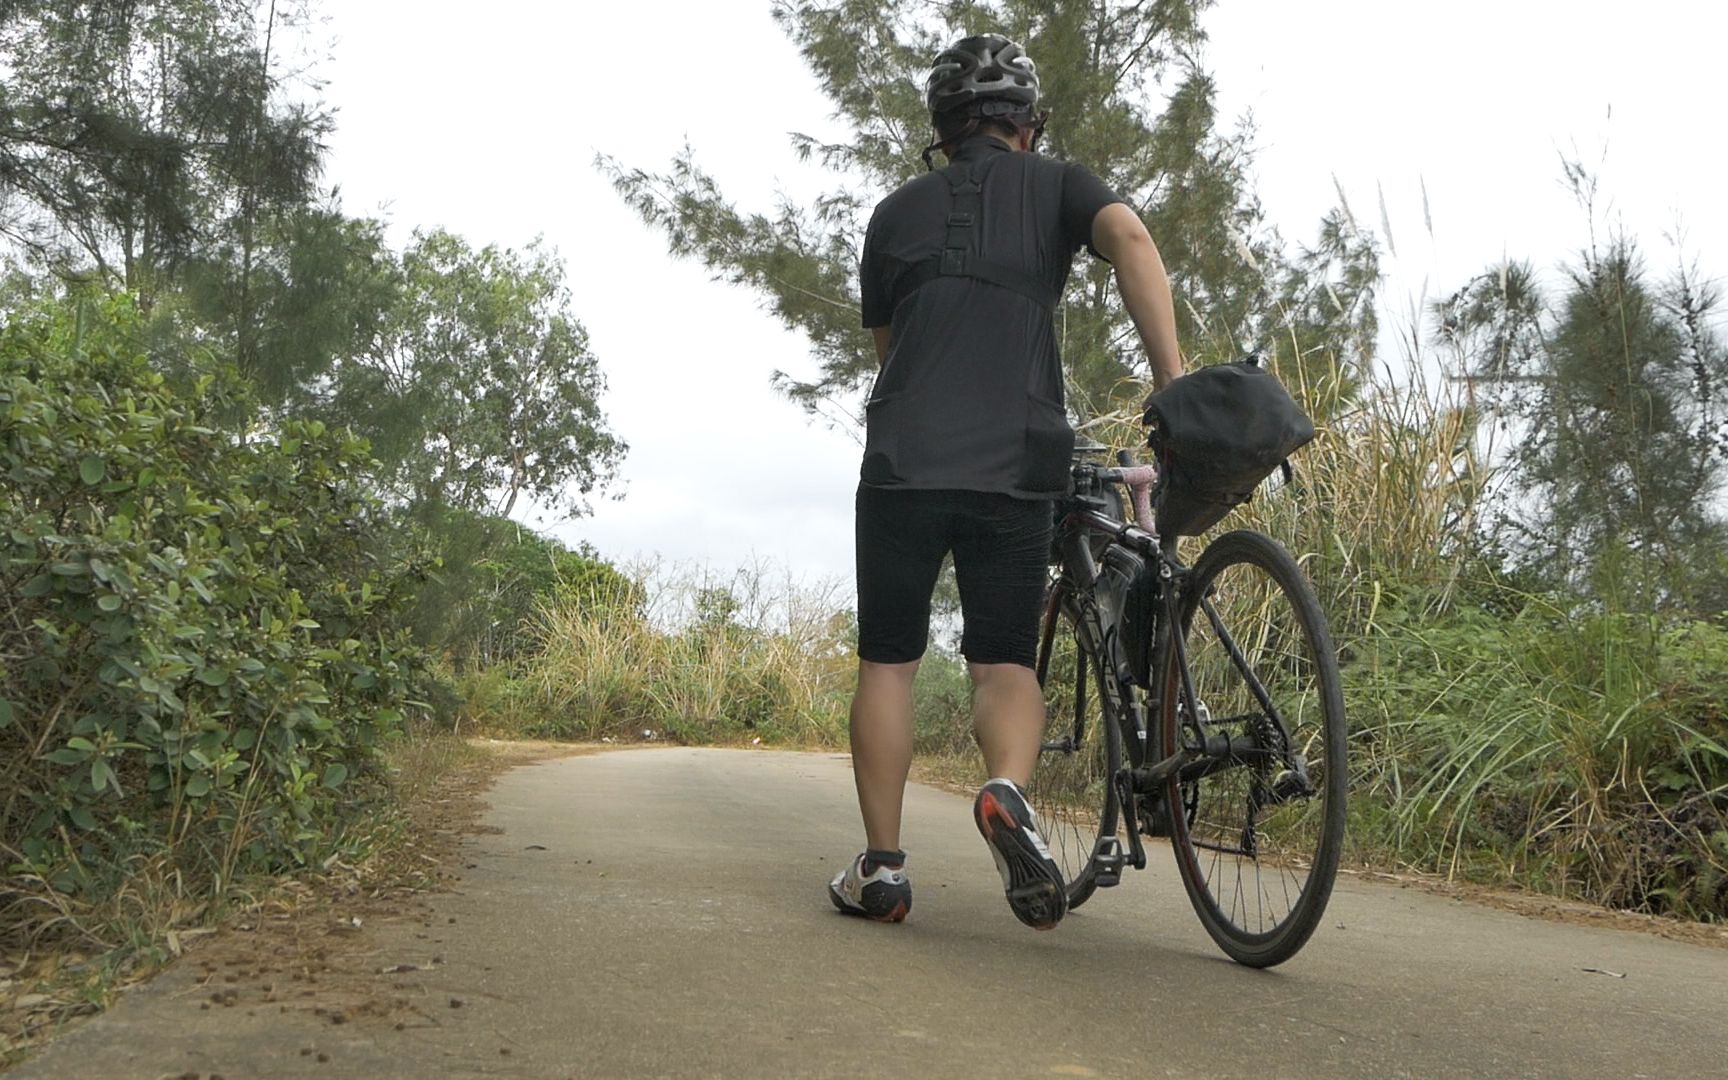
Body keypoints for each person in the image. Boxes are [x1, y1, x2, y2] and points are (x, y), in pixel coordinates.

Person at [827, 34, 1184, 929]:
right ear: (1028, 125)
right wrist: (1172, 382)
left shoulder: (891, 214)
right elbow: (1131, 237)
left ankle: (882, 870)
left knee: (889, 663)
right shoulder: (1060, 184)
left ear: (942, 132)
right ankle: (1006, 793)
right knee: (1002, 661)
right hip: (1016, 459)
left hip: (905, 461)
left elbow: (889, 353)